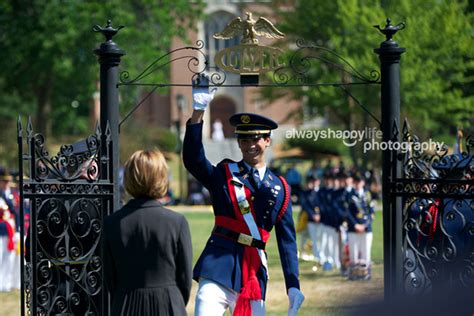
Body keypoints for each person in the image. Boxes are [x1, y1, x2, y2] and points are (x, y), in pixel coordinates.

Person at [183, 74, 304, 316]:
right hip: (217, 265)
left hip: (254, 273)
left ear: (267, 140)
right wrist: (198, 112)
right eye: (243, 138)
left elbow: (287, 240)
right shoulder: (224, 173)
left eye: (256, 137)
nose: (249, 144)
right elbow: (194, 161)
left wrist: (293, 285)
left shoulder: (281, 187)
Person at [103, 149, 193, 316]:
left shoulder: (111, 223)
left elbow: (110, 278)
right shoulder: (176, 223)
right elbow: (185, 279)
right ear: (161, 178)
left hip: (125, 303)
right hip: (169, 303)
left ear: (129, 178)